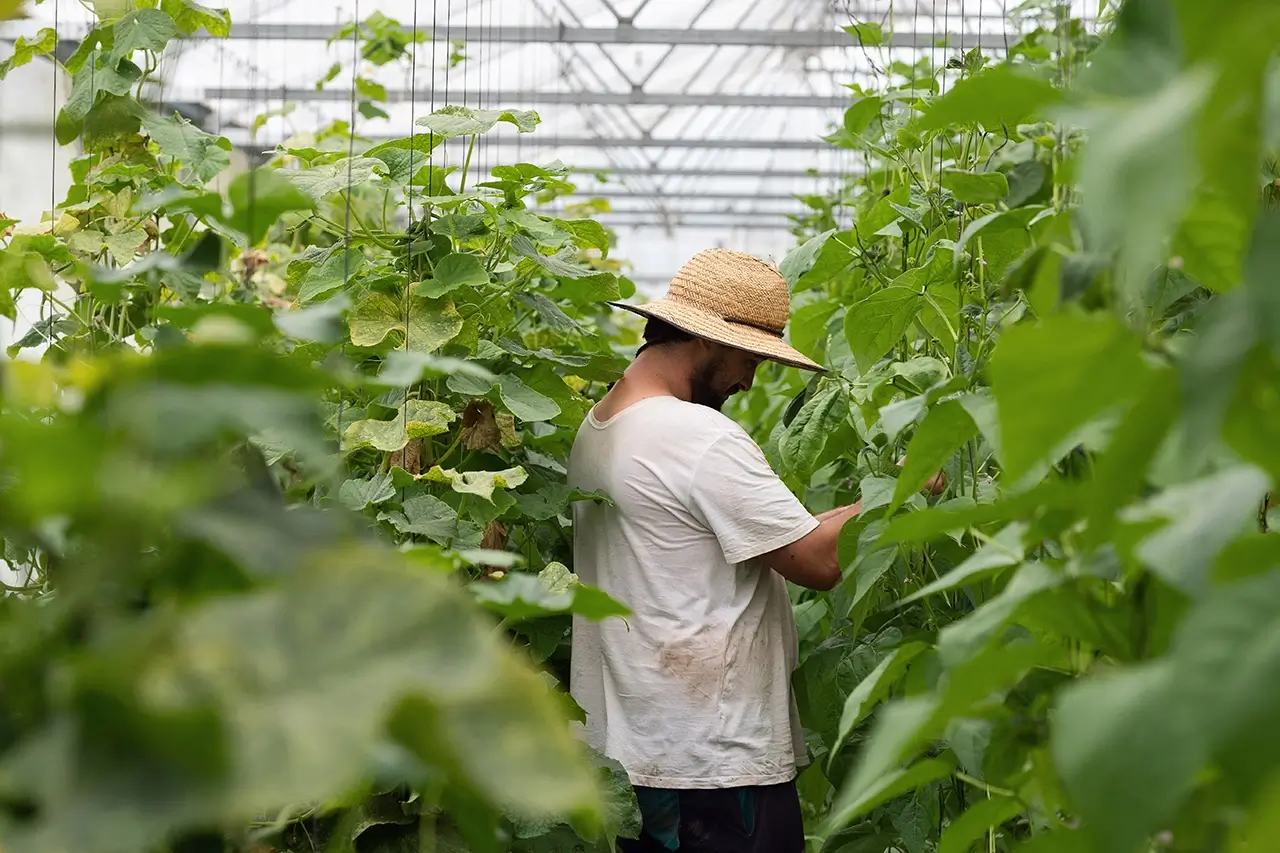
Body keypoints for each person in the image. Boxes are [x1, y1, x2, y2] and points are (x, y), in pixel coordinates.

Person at [567, 248, 862, 853]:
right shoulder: (694, 435)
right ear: (707, 341)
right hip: (714, 763)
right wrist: (902, 493)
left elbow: (793, 535)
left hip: (637, 757)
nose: (749, 380)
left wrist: (856, 508)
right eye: (749, 358)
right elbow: (818, 562)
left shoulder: (600, 426)